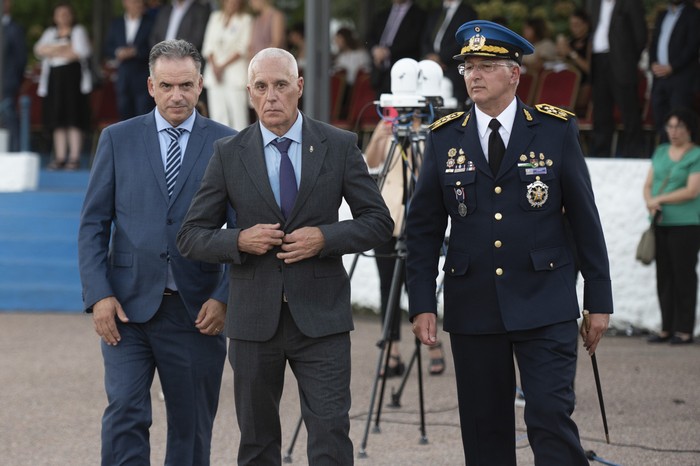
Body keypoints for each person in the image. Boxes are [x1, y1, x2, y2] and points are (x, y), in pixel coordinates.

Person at [405, 20, 613, 465]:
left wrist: (599, 297)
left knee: (551, 420)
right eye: (467, 67)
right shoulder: (444, 138)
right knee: (485, 431)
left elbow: (584, 218)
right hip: (474, 303)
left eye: (485, 66)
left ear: (514, 74)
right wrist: (422, 301)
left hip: (545, 299)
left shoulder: (555, 131)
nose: (473, 75)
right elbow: (422, 230)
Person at [177, 47, 393, 465]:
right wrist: (239, 240)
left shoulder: (339, 144)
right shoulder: (227, 153)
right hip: (253, 320)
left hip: (322, 319)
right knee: (257, 444)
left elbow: (379, 222)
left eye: (280, 85)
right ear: (249, 93)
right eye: (261, 87)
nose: (271, 96)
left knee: (331, 437)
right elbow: (191, 236)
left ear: (299, 87)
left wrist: (324, 238)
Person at [78, 39, 235, 465]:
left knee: (192, 426)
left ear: (200, 84)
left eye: (186, 85)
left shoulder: (230, 144)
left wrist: (224, 297)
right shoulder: (117, 139)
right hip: (126, 309)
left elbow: (242, 231)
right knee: (125, 412)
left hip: (197, 312)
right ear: (150, 85)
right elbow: (94, 224)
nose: (176, 95)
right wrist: (98, 295)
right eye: (166, 85)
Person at [364, 114, 446, 376]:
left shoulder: (431, 130)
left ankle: (433, 344)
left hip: (415, 217)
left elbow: (429, 173)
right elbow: (372, 162)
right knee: (387, 285)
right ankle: (392, 350)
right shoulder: (387, 125)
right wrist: (381, 135)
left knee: (416, 283)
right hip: (388, 216)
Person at [643, 108, 700, 345]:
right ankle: (666, 327)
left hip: (686, 223)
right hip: (660, 222)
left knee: (684, 275)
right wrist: (649, 202)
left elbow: (692, 190)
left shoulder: (695, 154)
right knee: (663, 275)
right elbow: (648, 184)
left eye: (679, 127)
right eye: (670, 126)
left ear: (689, 129)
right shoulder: (661, 151)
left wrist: (660, 200)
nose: (674, 131)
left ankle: (684, 330)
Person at [34, 2, 92, 170]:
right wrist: (62, 49)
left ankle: (74, 156)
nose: (63, 17)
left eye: (66, 14)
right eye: (59, 14)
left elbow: (80, 52)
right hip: (54, 80)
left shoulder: (78, 31)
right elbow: (39, 50)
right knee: (57, 118)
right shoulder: (50, 32)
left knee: (73, 117)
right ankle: (60, 156)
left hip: (72, 79)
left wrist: (53, 50)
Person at [587, 0, 647, 157]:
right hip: (598, 61)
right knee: (600, 112)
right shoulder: (593, 3)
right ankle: (600, 155)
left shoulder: (630, 4)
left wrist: (628, 60)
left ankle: (634, 155)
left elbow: (640, 35)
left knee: (629, 111)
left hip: (622, 63)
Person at [648, 0, 700, 143]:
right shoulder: (662, 15)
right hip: (659, 78)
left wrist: (672, 67)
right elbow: (654, 43)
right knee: (660, 120)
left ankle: (683, 158)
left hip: (681, 79)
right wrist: (652, 63)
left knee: (680, 121)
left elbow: (692, 46)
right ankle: (667, 155)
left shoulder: (694, 14)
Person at [201, 0, 252, 130]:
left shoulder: (246, 19)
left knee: (238, 118)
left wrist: (222, 66)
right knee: (218, 117)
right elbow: (208, 45)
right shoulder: (215, 17)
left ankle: (241, 149)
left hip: (235, 75)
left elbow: (243, 48)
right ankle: (221, 149)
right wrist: (215, 66)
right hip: (214, 74)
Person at [421, 0, 477, 110]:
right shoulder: (435, 12)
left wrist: (441, 58)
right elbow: (424, 38)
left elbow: (465, 39)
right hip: (430, 65)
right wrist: (430, 58)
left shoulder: (468, 12)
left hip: (453, 65)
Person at [104, 0, 155, 120]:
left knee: (144, 115)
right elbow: (108, 47)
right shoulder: (116, 23)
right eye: (133, 2)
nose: (137, 4)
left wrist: (136, 52)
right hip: (123, 78)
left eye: (139, 2)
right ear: (125, 3)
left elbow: (154, 46)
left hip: (143, 76)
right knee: (124, 115)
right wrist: (118, 52)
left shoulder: (151, 22)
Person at [366, 0, 426, 96]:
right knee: (381, 108)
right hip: (380, 74)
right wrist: (375, 50)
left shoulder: (419, 15)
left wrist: (387, 52)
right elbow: (369, 37)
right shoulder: (382, 14)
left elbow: (413, 40)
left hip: (404, 74)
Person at [0, 0, 26, 152]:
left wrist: (15, 80)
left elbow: (20, 59)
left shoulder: (14, 29)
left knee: (9, 119)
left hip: (7, 84)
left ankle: (15, 152)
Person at [555, 8, 591, 117]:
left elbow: (589, 68)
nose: (573, 28)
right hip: (567, 83)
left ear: (586, 25)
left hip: (585, 84)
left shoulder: (591, 42)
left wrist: (571, 53)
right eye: (571, 24)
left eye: (577, 24)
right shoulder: (570, 41)